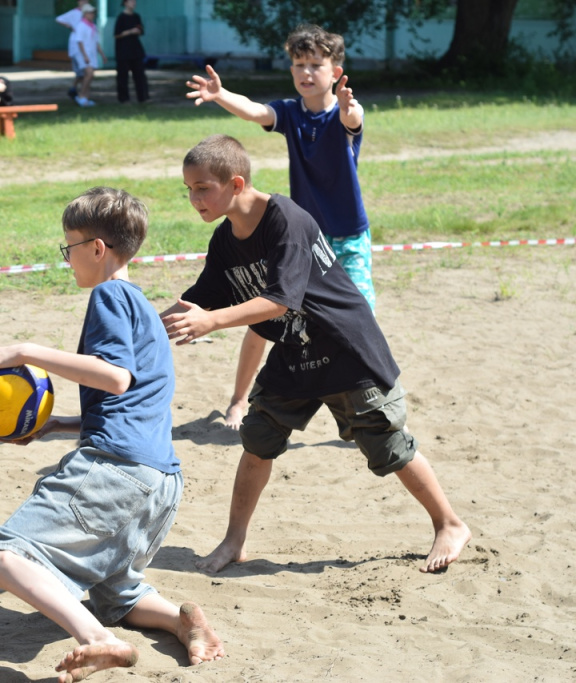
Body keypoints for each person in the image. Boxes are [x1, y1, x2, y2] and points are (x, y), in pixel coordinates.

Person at [161, 134, 471, 575]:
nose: (194, 198)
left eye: (202, 187)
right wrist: (145, 328)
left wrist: (213, 322)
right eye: (188, 189)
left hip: (344, 348)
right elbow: (198, 301)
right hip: (293, 353)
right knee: (258, 440)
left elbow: (280, 300)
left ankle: (450, 523)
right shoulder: (225, 240)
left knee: (387, 445)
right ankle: (234, 541)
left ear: (235, 183)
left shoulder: (284, 218)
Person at [0, 187, 225, 682]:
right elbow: (128, 401)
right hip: (161, 482)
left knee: (0, 555)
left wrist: (25, 349)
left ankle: (99, 642)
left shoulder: (109, 294)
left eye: (69, 248)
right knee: (116, 594)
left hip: (119, 472)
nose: (67, 260)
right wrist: (55, 426)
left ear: (98, 248)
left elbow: (113, 378)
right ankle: (180, 621)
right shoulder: (144, 311)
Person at [186, 24, 375, 430]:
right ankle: (238, 401)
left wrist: (347, 107)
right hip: (300, 238)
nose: (306, 72)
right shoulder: (290, 112)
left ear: (336, 70)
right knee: (265, 315)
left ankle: (368, 406)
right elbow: (257, 111)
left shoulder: (343, 112)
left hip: (347, 236)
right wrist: (220, 95)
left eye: (316, 65)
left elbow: (353, 119)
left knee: (359, 319)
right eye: (298, 64)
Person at [113, 0, 149, 104]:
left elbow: (141, 30)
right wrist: (130, 32)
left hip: (136, 50)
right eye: (131, 1)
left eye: (134, 1)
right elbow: (116, 34)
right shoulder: (121, 17)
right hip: (123, 51)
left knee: (140, 74)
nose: (134, 3)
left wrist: (138, 31)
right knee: (123, 76)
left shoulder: (136, 16)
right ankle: (123, 99)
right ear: (125, 3)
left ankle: (143, 97)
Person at [74, 4, 105, 107]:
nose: (92, 15)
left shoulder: (93, 26)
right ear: (85, 14)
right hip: (84, 54)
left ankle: (86, 98)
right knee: (89, 74)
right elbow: (80, 42)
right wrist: (85, 55)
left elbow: (96, 42)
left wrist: (102, 55)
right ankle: (81, 95)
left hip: (92, 54)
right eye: (90, 13)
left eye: (93, 13)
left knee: (90, 76)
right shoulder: (81, 26)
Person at [55, 0, 85, 101]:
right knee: (82, 72)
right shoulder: (74, 12)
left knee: (83, 73)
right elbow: (59, 19)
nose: (84, 2)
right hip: (76, 47)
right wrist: (69, 26)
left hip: (84, 47)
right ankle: (79, 92)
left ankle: (76, 90)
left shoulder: (87, 14)